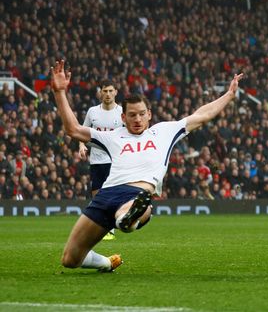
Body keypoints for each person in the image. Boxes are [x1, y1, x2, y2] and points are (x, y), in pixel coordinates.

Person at [51, 59, 243, 272]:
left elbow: (202, 115)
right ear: (123, 117)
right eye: (132, 115)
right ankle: (107, 262)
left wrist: (228, 95)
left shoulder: (164, 131)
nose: (137, 119)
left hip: (136, 192)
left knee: (131, 209)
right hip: (106, 195)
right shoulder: (112, 136)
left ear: (149, 114)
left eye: (142, 114)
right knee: (70, 260)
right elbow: (73, 129)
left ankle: (127, 217)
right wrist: (59, 91)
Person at [78, 79, 123, 240]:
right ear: (100, 93)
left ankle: (111, 227)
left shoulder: (122, 112)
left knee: (113, 193)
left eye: (111, 91)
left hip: (115, 160)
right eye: (105, 91)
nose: (108, 94)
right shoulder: (93, 112)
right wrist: (81, 146)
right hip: (97, 160)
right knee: (98, 196)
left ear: (116, 92)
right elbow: (82, 132)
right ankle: (102, 226)